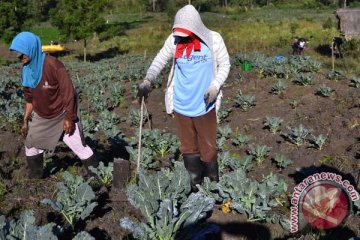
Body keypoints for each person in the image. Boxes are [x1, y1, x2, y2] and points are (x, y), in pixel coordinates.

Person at [137, 5, 230, 192]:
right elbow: (159, 61)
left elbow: (225, 65)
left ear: (195, 27)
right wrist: (148, 80)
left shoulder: (213, 39)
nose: (181, 36)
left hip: (205, 104)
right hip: (181, 104)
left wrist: (214, 86)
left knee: (209, 147)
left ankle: (212, 187)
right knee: (188, 148)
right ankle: (195, 187)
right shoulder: (174, 40)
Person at [9, 32, 98, 179]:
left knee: (78, 146)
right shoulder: (27, 71)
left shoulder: (53, 65)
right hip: (43, 116)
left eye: (22, 54)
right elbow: (29, 100)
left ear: (32, 48)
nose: (21, 58)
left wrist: (69, 117)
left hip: (63, 113)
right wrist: (25, 119)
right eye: (18, 55)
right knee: (31, 145)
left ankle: (97, 176)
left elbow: (68, 92)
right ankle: (35, 176)